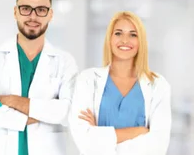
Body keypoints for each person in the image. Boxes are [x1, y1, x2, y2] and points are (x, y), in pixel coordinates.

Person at [0, 0, 79, 155]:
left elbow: (68, 111)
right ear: (15, 12)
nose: (33, 16)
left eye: (41, 10)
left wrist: (13, 101)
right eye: (26, 8)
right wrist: (44, 113)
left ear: (50, 15)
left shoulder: (65, 61)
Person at [68, 11, 172, 155]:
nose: (124, 40)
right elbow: (84, 140)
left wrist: (100, 136)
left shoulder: (157, 85)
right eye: (118, 33)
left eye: (133, 34)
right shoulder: (87, 80)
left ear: (140, 41)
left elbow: (158, 145)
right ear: (109, 39)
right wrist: (139, 132)